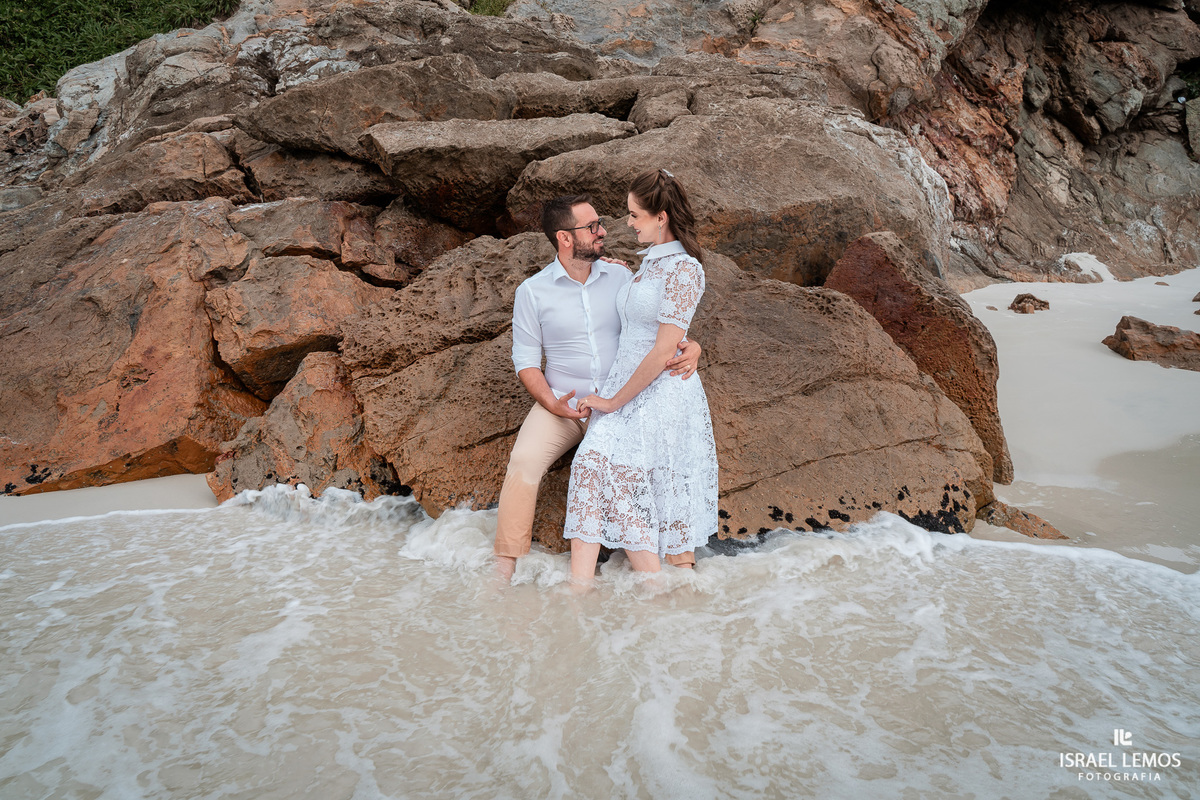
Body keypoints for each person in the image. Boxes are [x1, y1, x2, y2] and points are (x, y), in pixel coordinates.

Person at [492, 194, 702, 582]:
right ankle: (503, 570)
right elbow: (526, 362)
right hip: (564, 404)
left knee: (656, 468)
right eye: (592, 227)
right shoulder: (532, 292)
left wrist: (693, 345)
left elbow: (653, 327)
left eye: (600, 223)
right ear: (564, 238)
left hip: (623, 404)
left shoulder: (622, 277)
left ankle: (678, 566)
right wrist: (553, 403)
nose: (603, 230)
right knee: (523, 462)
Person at [564, 170, 718, 584]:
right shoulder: (646, 266)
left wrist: (612, 402)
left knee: (621, 475)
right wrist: (620, 275)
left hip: (661, 390)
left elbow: (665, 347)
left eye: (634, 215)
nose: (628, 222)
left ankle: (656, 587)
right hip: (626, 386)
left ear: (661, 217)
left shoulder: (685, 270)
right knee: (589, 466)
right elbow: (642, 324)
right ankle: (578, 592)